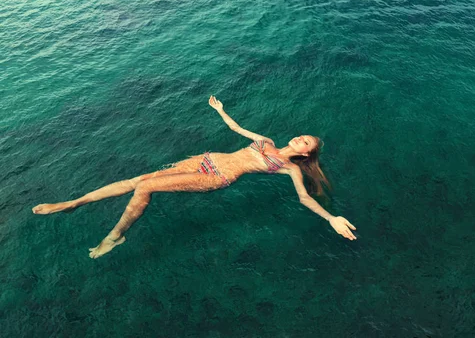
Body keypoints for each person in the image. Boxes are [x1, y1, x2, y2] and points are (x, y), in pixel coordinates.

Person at [33, 96, 357, 258]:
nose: (301, 138)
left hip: (216, 177)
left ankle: (116, 234)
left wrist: (330, 218)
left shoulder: (286, 167)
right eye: (303, 135)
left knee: (146, 187)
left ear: (303, 155)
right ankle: (75, 202)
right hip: (205, 160)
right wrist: (219, 110)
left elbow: (302, 198)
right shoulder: (266, 141)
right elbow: (236, 128)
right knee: (137, 180)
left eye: (306, 143)